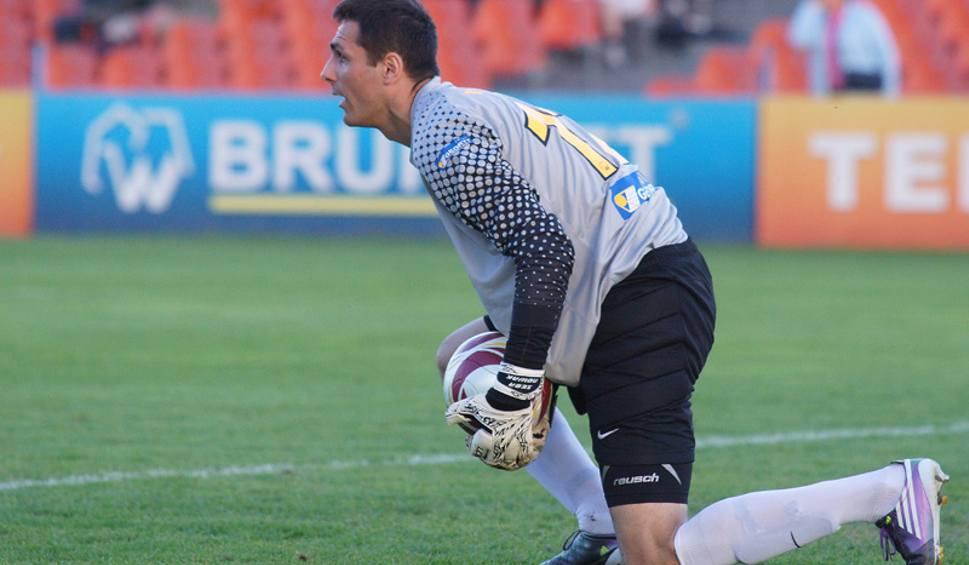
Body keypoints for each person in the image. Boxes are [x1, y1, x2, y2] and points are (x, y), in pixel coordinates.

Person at [319, 1, 949, 563]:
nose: (327, 75)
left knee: (655, 555)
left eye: (341, 57)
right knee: (457, 356)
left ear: (391, 67)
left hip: (637, 297)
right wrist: (523, 367)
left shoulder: (442, 134)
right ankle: (598, 522)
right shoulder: (457, 112)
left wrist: (519, 380)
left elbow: (545, 247)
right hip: (622, 283)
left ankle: (891, 492)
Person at [787, 0, 901, 96]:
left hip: (863, 81)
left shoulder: (863, 13)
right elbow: (798, 39)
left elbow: (887, 53)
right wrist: (812, 5)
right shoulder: (817, 16)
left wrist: (891, 91)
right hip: (831, 88)